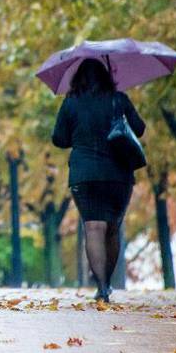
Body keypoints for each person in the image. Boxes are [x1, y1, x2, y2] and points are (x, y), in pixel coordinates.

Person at [51, 58, 145, 303]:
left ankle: (102, 287)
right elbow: (139, 128)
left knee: (93, 227)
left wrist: (80, 132)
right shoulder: (119, 100)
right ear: (105, 76)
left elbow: (58, 138)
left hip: (85, 174)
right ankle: (107, 282)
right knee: (112, 229)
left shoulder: (71, 102)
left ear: (78, 78)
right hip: (118, 174)